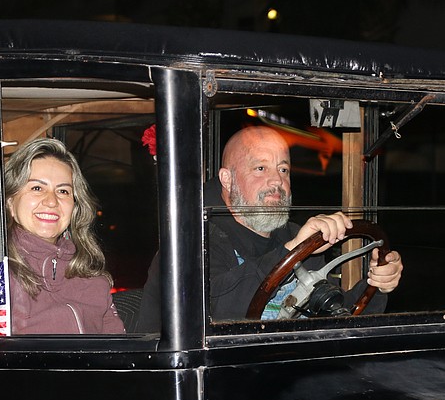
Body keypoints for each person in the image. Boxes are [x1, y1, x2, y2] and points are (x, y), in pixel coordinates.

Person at [136, 124, 403, 330]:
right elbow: (217, 313)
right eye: (261, 168)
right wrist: (290, 250)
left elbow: (329, 319)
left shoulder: (296, 238)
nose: (277, 181)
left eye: (284, 170)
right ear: (227, 179)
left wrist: (377, 283)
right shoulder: (191, 242)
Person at [0, 137, 125, 334]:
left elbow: (120, 354)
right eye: (37, 188)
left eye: (63, 191)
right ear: (10, 202)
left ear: (74, 206)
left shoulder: (92, 277)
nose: (51, 201)